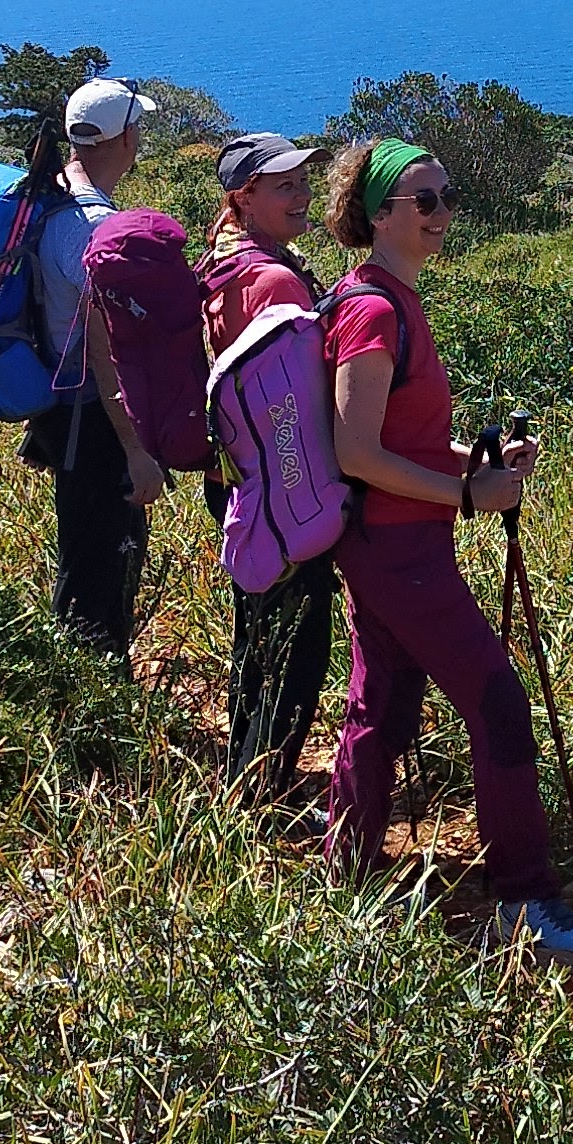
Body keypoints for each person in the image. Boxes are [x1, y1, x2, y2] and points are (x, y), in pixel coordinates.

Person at [317, 136, 573, 974]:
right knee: (497, 700)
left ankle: (348, 872)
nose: (444, 214)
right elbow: (355, 451)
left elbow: (397, 441)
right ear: (378, 215)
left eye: (447, 197)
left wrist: (474, 465)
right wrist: (468, 495)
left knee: (381, 702)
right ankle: (523, 899)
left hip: (393, 543)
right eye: (426, 201)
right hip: (400, 549)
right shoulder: (374, 309)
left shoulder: (389, 298)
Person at [204, 129, 336, 794]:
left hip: (233, 476)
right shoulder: (277, 280)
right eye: (284, 185)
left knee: (255, 635)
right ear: (243, 196)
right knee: (296, 645)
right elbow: (301, 394)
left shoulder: (222, 254)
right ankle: (267, 791)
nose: (302, 195)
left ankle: (246, 775)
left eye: (303, 181)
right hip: (282, 482)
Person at [27, 76, 171, 663]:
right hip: (93, 420)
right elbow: (105, 350)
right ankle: (93, 702)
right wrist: (135, 448)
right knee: (103, 559)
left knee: (84, 550)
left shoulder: (50, 197)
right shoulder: (93, 229)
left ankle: (78, 685)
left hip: (61, 406)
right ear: (126, 138)